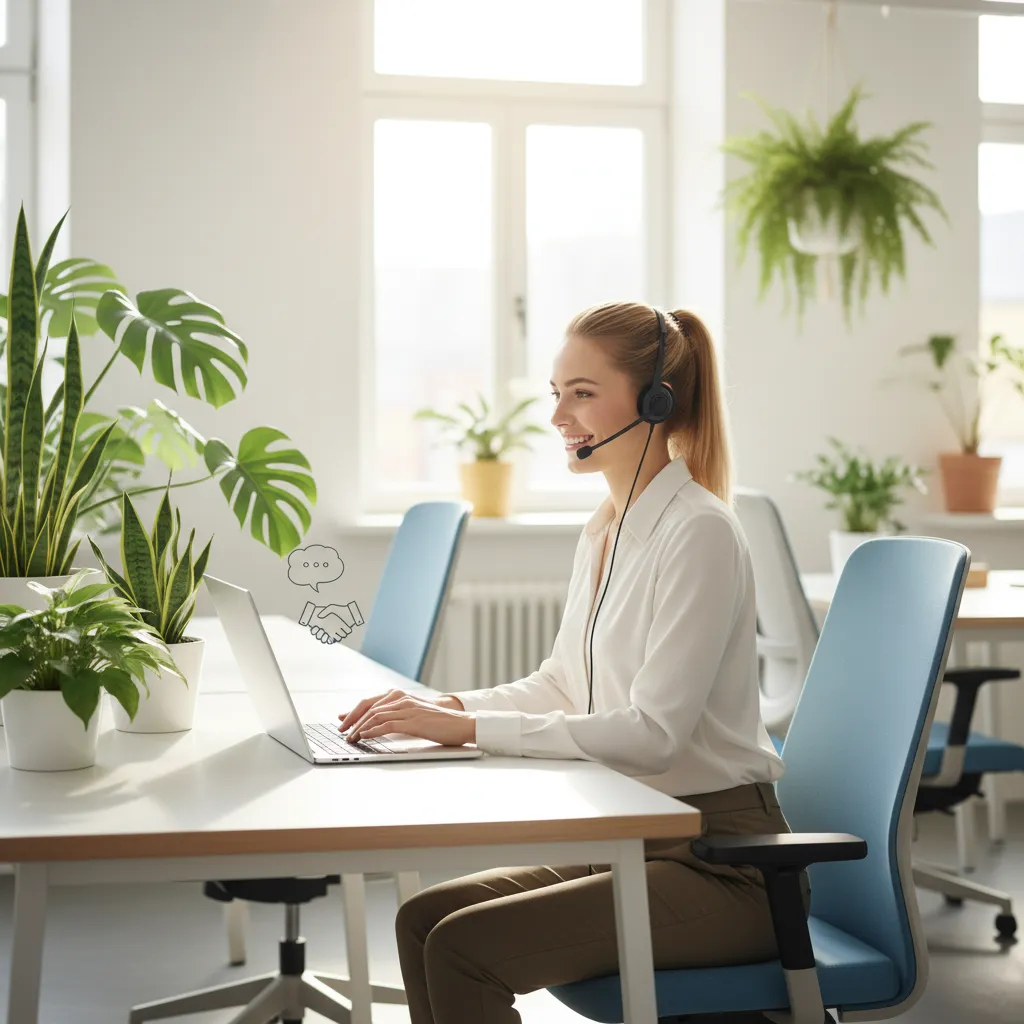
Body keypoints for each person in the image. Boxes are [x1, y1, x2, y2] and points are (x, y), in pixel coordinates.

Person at [340, 302, 794, 1024]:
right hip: (631, 837)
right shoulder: (606, 530)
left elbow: (653, 734)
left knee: (463, 947)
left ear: (655, 402)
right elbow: (559, 683)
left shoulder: (700, 533)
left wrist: (468, 733)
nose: (558, 417)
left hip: (723, 864)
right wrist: (449, 710)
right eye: (557, 393)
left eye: (581, 393)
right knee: (423, 919)